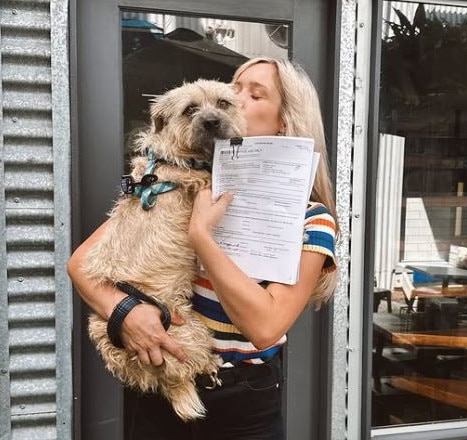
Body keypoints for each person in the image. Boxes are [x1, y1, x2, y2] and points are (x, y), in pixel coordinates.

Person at [67, 56, 338, 440]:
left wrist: (201, 237)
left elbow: (265, 328)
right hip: (159, 381)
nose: (236, 101)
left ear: (285, 121)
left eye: (254, 95)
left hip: (242, 400)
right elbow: (81, 265)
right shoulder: (174, 185)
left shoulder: (311, 220)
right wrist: (124, 311)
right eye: (236, 89)